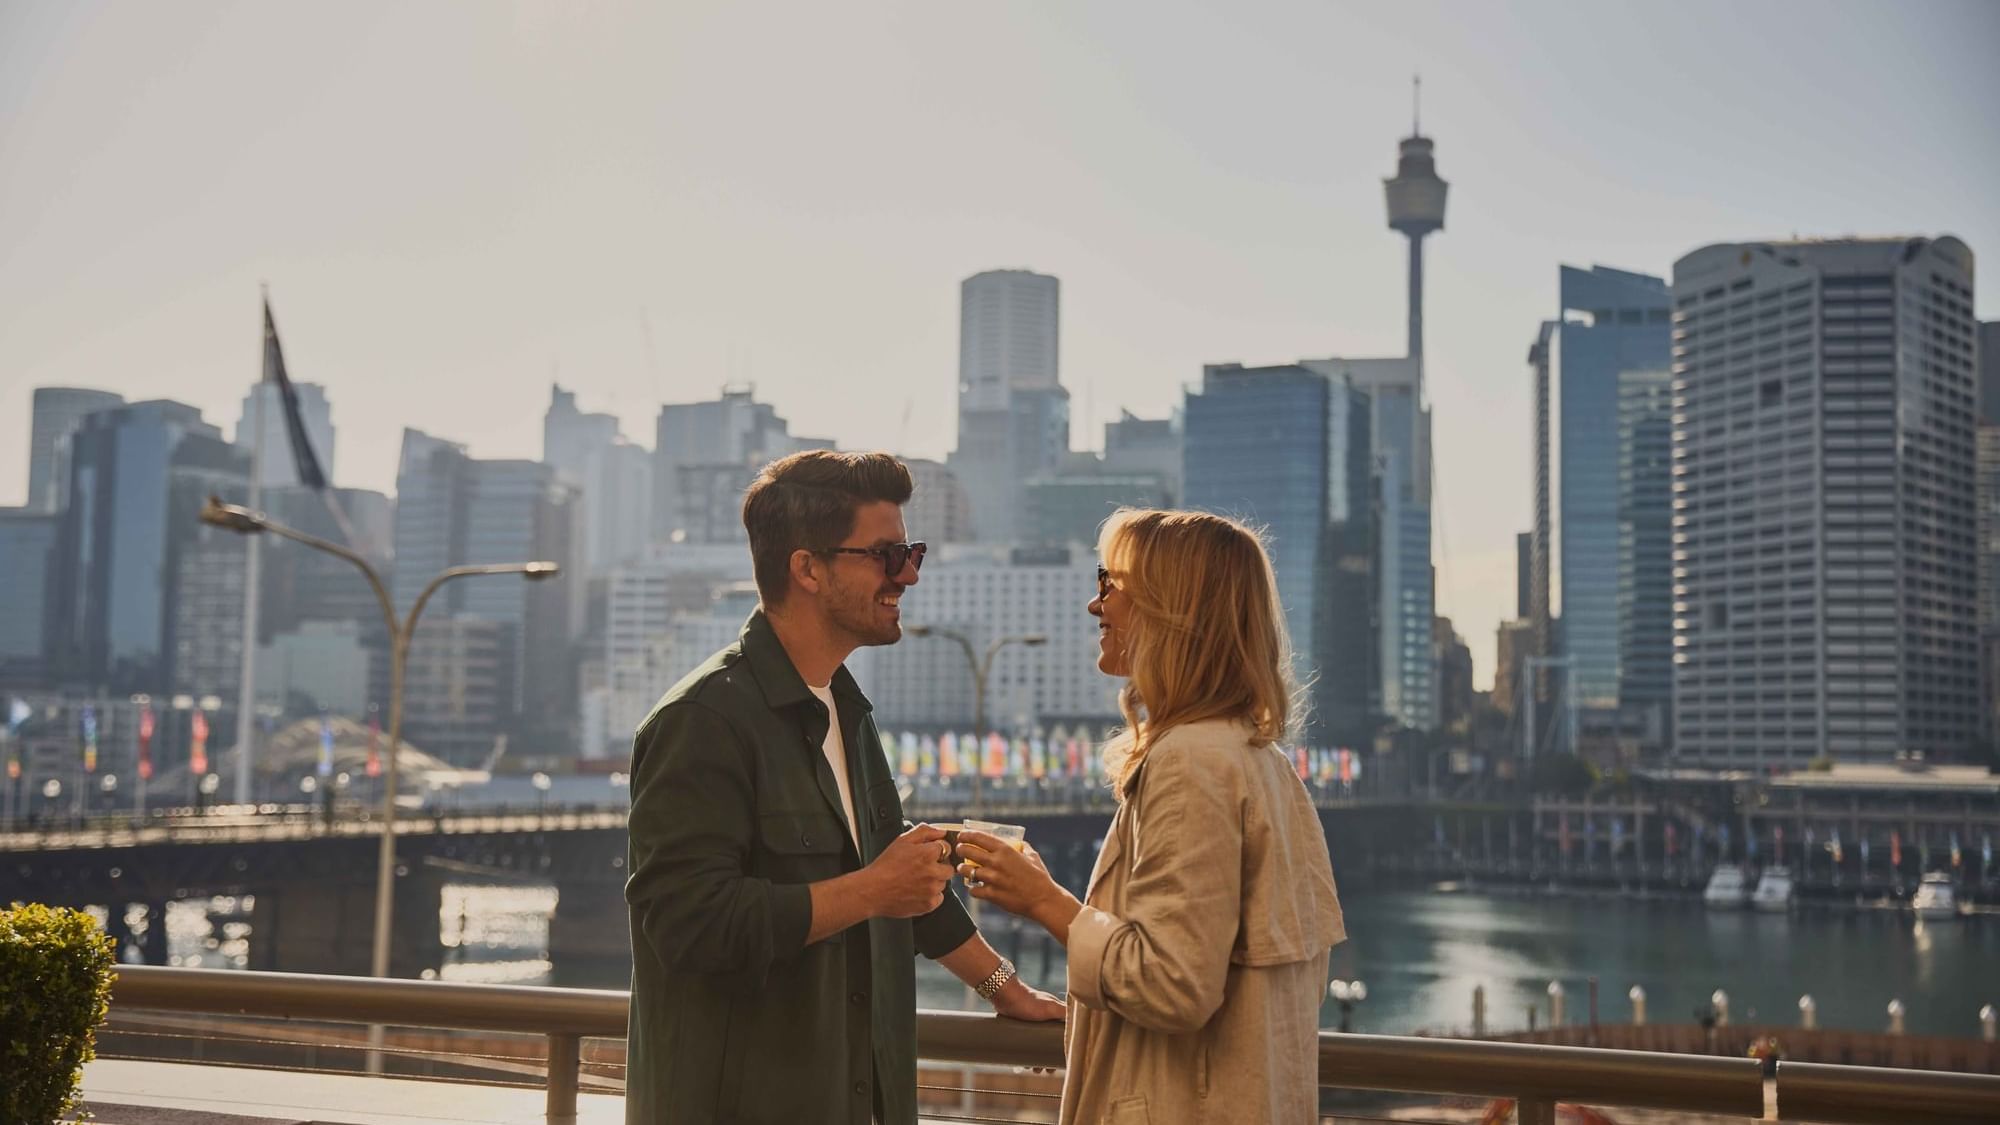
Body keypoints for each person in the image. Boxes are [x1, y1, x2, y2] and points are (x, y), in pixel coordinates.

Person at [623, 450, 1063, 1125]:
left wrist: (1006, 987)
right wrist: (871, 888)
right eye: (887, 555)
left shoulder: (846, 712)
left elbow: (906, 881)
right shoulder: (702, 721)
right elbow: (690, 924)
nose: (909, 574)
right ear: (808, 568)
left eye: (910, 551)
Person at [956, 507, 1346, 1124]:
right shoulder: (1257, 759)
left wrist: (1042, 901)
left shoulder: (1190, 762)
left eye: (1110, 583)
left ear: (1171, 609)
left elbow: (1173, 985)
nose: (1095, 604)